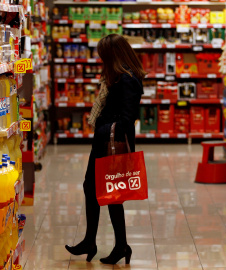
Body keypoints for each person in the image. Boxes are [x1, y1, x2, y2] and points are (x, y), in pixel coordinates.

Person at [65, 34, 146, 265]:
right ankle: (93, 241)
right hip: (105, 141)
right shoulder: (117, 77)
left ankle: (119, 245)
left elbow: (128, 119)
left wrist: (104, 128)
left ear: (113, 56)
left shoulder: (128, 79)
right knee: (93, 188)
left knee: (112, 194)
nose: (101, 61)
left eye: (103, 56)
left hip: (113, 143)